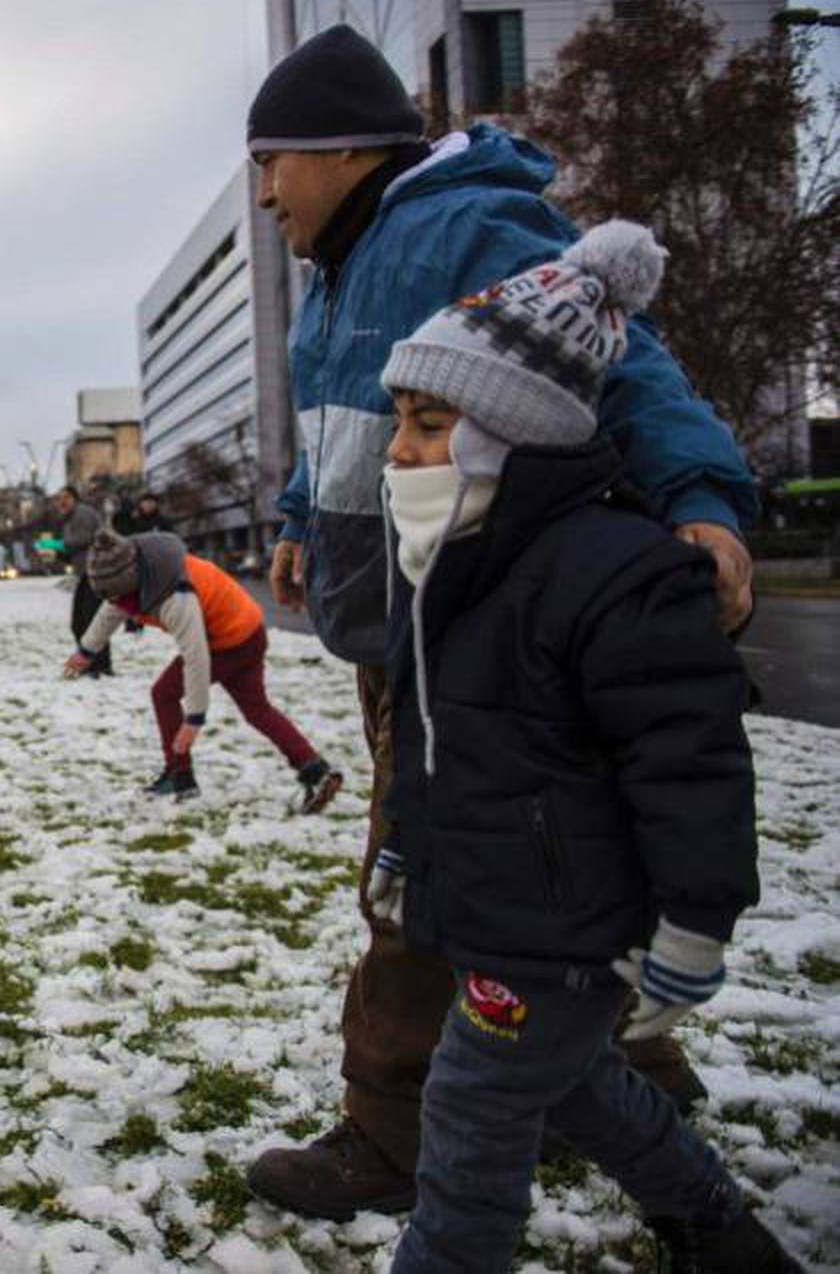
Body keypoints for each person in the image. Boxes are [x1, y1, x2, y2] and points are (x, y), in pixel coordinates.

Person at [240, 25, 759, 1219]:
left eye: (272, 160)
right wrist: (297, 515)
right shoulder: (344, 262)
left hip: (475, 634)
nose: (264, 192)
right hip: (409, 629)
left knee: (422, 882)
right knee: (527, 860)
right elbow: (340, 424)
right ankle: (630, 1074)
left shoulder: (458, 228)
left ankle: (391, 1131)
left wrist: (700, 500)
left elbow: (624, 363)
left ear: (343, 149)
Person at [370, 222, 792, 1271]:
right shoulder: (455, 563)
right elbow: (434, 745)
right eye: (399, 421)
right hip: (502, 905)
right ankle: (714, 1226)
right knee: (572, 1083)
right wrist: (403, 853)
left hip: (567, 928)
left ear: (514, 431)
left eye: (429, 422)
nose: (398, 449)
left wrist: (694, 924)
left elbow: (690, 766)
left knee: (470, 1120)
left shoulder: (618, 571)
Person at [65, 530, 341, 812]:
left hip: (229, 641)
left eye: (118, 597)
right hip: (249, 630)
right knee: (258, 710)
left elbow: (196, 657)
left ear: (130, 583)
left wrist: (194, 719)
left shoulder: (176, 596)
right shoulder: (140, 571)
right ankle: (314, 768)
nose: (116, 604)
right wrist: (88, 649)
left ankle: (179, 775)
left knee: (164, 693)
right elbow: (113, 609)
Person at [51, 486, 113, 676]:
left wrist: (56, 544)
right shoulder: (68, 520)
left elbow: (82, 540)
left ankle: (100, 665)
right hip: (85, 573)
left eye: (66, 497)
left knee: (91, 622)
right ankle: (91, 662)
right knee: (80, 623)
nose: (62, 501)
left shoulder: (82, 514)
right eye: (58, 498)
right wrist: (59, 553)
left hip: (96, 573)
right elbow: (75, 551)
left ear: (75, 499)